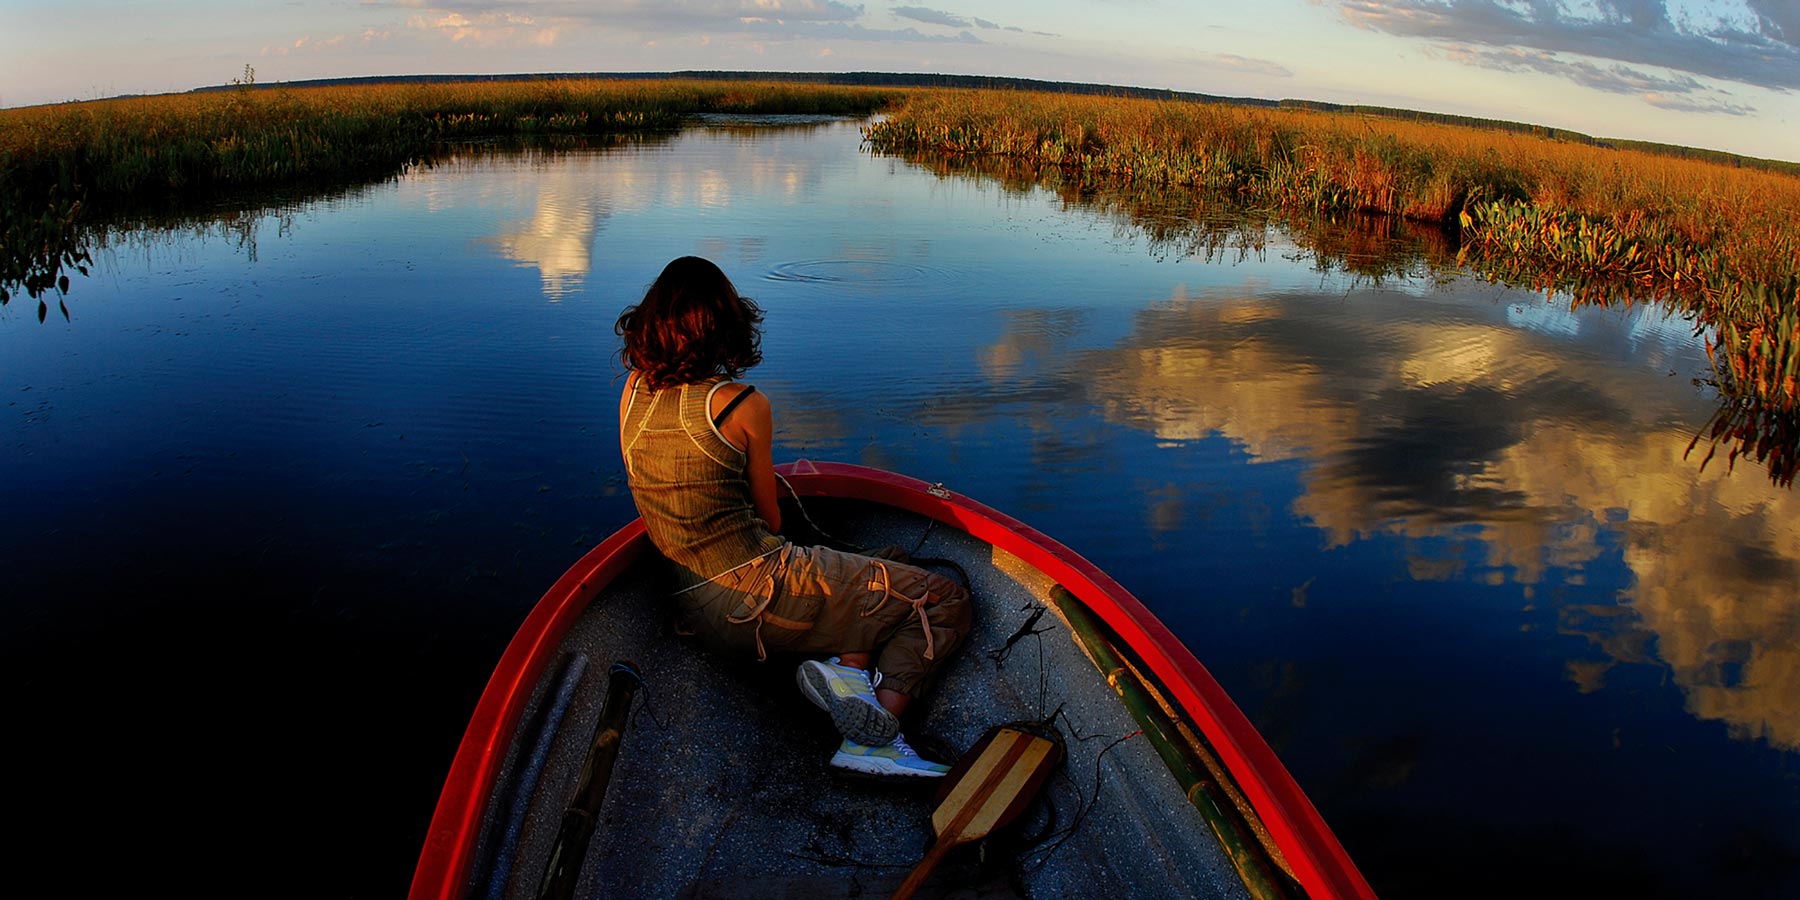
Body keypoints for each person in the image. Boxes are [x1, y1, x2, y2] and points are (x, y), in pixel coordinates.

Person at [615, 256, 971, 778]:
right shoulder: (740, 405)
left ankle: (847, 673)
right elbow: (771, 521)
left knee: (885, 561)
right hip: (757, 598)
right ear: (724, 324)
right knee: (941, 598)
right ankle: (873, 736)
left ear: (651, 324)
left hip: (693, 607)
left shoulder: (631, 395)